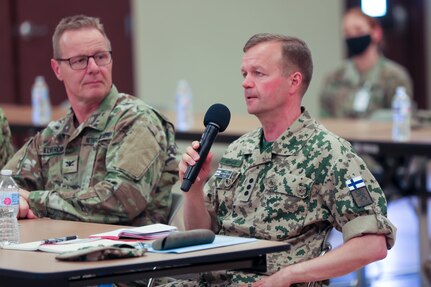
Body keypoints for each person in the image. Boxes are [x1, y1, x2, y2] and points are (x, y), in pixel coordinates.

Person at [175, 33, 396, 287]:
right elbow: (201, 234)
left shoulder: (328, 153)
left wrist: (290, 275)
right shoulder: (239, 150)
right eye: (244, 74)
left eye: (258, 73)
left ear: (293, 82)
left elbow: (372, 244)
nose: (246, 83)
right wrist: (193, 190)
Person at [5, 15, 179, 226]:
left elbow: (120, 200)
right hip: (58, 246)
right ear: (57, 69)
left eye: (101, 57)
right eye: (80, 61)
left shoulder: (138, 121)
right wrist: (11, 200)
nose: (94, 67)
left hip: (128, 252)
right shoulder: (54, 135)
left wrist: (33, 201)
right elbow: (6, 184)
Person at [320, 7, 413, 119]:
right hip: (340, 135)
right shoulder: (334, 77)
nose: (353, 36)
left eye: (358, 30)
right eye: (347, 32)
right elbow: (324, 118)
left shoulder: (395, 77)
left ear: (376, 33)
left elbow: (401, 117)